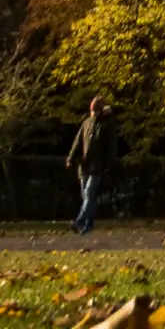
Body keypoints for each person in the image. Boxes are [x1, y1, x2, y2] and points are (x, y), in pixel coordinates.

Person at [67, 94, 115, 234]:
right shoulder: (87, 123)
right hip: (84, 165)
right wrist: (71, 157)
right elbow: (78, 141)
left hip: (98, 166)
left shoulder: (107, 125)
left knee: (89, 193)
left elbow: (111, 146)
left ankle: (79, 221)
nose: (93, 113)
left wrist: (108, 164)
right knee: (88, 197)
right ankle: (88, 226)